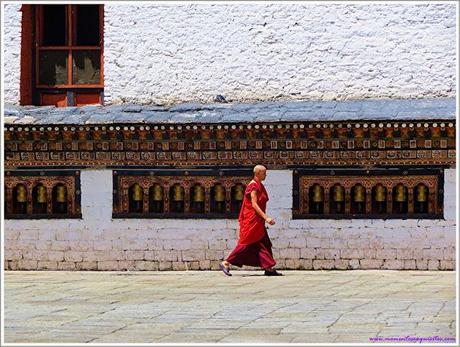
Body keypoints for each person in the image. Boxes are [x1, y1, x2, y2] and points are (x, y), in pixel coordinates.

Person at [219, 165, 283, 276]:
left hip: (257, 221)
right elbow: (254, 204)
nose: (265, 175)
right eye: (264, 173)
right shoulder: (253, 186)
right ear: (257, 173)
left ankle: (268, 268)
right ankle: (226, 262)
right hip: (251, 220)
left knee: (264, 243)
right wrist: (266, 217)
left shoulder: (259, 185)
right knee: (246, 243)